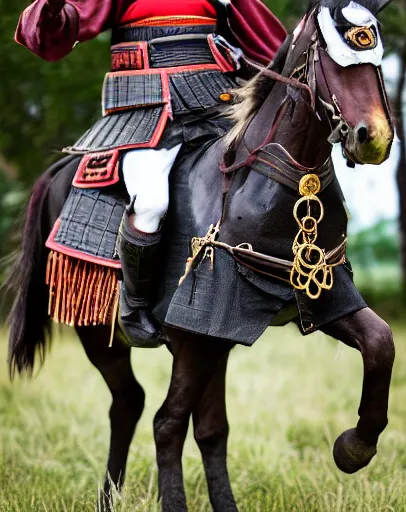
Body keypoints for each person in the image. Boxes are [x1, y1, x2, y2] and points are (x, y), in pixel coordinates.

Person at [16, 0, 286, 345]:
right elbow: (55, 30)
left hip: (218, 105)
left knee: (271, 175)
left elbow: (274, 48)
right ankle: (135, 307)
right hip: (143, 108)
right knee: (150, 203)